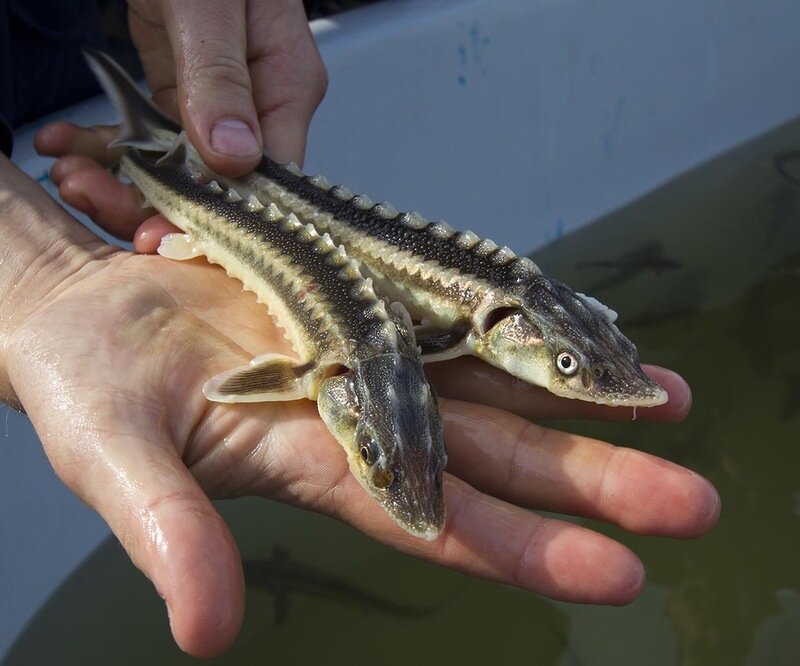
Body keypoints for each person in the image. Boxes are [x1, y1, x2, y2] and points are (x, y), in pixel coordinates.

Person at [1, 0, 720, 658]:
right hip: (199, 200)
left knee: (66, 79)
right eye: (566, 364)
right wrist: (26, 269)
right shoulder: (378, 353)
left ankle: (104, 124)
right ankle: (120, 136)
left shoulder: (435, 335)